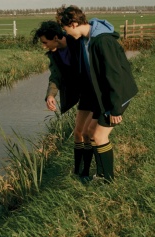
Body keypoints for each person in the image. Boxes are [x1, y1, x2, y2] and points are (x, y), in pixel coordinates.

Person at [57, 5, 138, 182]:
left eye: (66, 29)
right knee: (91, 132)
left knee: (99, 136)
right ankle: (101, 174)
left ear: (74, 24)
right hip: (106, 95)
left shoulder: (102, 41)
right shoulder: (87, 39)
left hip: (119, 94)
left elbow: (114, 75)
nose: (67, 34)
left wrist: (115, 109)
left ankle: (108, 181)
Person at [32, 20, 96, 179]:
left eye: (45, 42)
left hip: (95, 91)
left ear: (55, 37)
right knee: (78, 133)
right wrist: (50, 95)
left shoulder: (78, 42)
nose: (44, 46)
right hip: (83, 93)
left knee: (89, 134)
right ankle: (77, 172)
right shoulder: (54, 54)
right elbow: (56, 76)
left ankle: (86, 173)